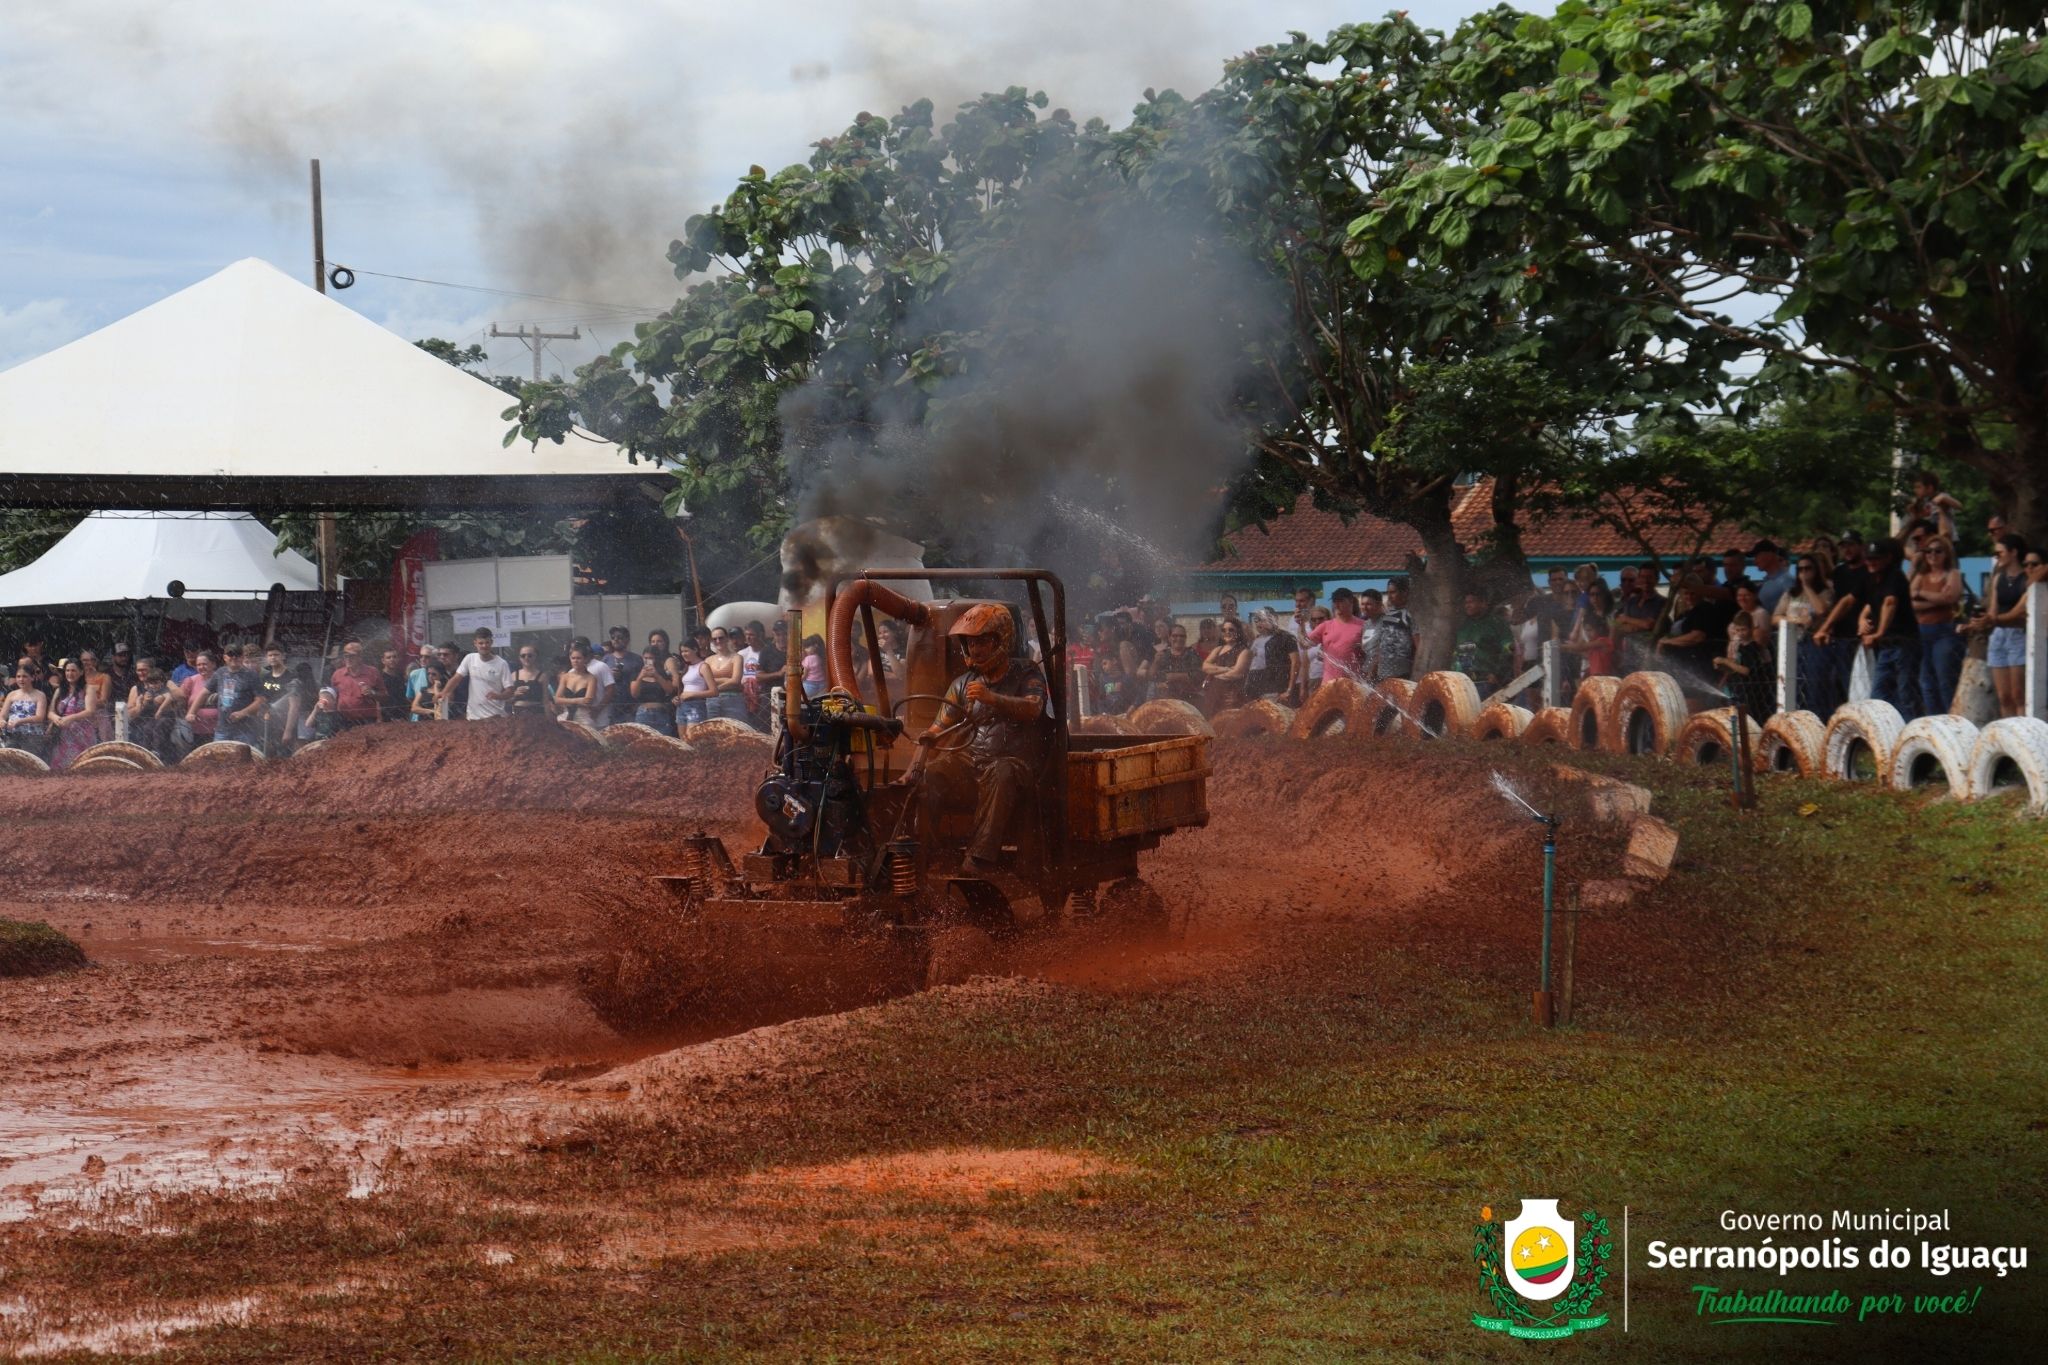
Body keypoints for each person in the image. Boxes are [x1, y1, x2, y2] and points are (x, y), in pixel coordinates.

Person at [916, 604, 1050, 876]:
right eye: (970, 642)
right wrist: (924, 747)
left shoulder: (1027, 673)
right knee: (931, 774)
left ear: (1001, 640)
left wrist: (993, 699)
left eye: (982, 641)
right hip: (972, 764)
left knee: (1000, 772)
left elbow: (1033, 708)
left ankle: (978, 860)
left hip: (1017, 769)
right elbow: (938, 727)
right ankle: (925, 853)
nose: (975, 649)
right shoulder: (962, 685)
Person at [1967, 534, 2032, 718]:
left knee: (2019, 694)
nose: (1997, 557)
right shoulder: (1998, 578)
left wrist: (1991, 620)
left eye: (2000, 552)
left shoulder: (2026, 579)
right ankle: (2008, 732)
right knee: (2004, 695)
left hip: (2018, 633)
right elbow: (1993, 610)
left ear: (2013, 553)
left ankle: (2023, 731)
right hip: (1999, 634)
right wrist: (1981, 622)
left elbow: (2019, 613)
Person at [1858, 538, 1919, 718]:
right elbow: (1864, 603)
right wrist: (1862, 620)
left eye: (1876, 558)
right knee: (1879, 693)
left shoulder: (1895, 577)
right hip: (1886, 646)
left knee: (1906, 692)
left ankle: (1910, 733)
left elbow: (1890, 602)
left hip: (1904, 643)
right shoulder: (1872, 579)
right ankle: (1887, 731)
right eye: (1868, 559)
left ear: (1887, 558)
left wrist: (1879, 632)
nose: (1871, 562)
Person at [1910, 533, 1965, 720]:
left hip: (1944, 631)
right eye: (1928, 551)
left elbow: (1950, 598)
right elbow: (1909, 602)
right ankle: (1934, 720)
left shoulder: (1953, 574)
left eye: (1938, 551)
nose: (1932, 555)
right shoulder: (1920, 575)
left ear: (1946, 554)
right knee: (1926, 681)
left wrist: (1921, 594)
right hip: (1921, 631)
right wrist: (1937, 600)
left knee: (1945, 679)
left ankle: (1951, 719)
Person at [1715, 613, 1775, 723]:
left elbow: (1746, 670)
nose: (1740, 634)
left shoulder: (1752, 648)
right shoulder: (1740, 646)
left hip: (1749, 694)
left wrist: (1725, 661)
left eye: (1743, 630)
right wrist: (1723, 667)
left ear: (1751, 629)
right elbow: (1735, 667)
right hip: (1737, 690)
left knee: (1747, 721)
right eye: (1737, 630)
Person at [444, 628, 516, 721]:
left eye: (487, 642)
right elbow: (456, 678)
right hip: (473, 718)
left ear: (491, 642)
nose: (484, 646)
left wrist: (498, 696)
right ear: (475, 643)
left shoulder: (502, 664)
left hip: (495, 717)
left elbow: (510, 691)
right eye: (481, 643)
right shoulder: (470, 658)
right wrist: (444, 693)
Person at [1453, 592, 1514, 692]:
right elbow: (1457, 652)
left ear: (1483, 603)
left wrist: (1498, 675)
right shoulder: (1464, 626)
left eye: (1471, 602)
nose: (1467, 606)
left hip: (1485, 681)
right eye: (1466, 603)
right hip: (1461, 681)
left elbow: (1508, 649)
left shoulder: (1497, 623)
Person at [1308, 588, 1368, 682]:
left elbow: (1371, 654)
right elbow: (1304, 644)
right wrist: (1301, 626)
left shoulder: (1363, 626)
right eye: (1335, 601)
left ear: (1351, 601)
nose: (1336, 604)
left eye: (1340, 601)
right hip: (1330, 683)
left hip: (1353, 683)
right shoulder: (1325, 626)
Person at [47, 659, 97, 770]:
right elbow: (50, 712)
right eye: (67, 670)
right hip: (63, 736)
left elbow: (90, 711)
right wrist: (56, 718)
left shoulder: (88, 689)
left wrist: (71, 718)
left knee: (81, 767)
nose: (70, 673)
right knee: (60, 769)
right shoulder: (60, 690)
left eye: (73, 670)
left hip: (82, 735)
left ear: (81, 672)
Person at [127, 657, 180, 761]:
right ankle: (144, 756)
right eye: (139, 670)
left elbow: (181, 695)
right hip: (143, 723)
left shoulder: (165, 683)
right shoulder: (136, 688)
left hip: (164, 720)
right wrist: (141, 704)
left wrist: (163, 696)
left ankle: (161, 756)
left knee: (159, 730)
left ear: (152, 669)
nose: (141, 673)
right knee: (144, 730)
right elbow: (129, 713)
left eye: (144, 670)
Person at [213, 644, 264, 746]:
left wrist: (243, 713)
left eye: (253, 662)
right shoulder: (221, 672)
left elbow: (260, 700)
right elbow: (204, 692)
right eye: (231, 654)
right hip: (223, 727)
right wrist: (192, 711)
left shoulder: (252, 675)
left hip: (246, 728)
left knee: (245, 758)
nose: (234, 657)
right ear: (225, 657)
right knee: (218, 757)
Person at [1199, 619, 1251, 716]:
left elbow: (1236, 673)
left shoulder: (1245, 651)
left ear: (1238, 631)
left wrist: (1214, 672)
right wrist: (1227, 669)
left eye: (1231, 630)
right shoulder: (1218, 649)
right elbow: (1205, 667)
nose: (1227, 632)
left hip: (1231, 697)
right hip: (1213, 695)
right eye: (1224, 630)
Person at [329, 639, 383, 729]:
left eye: (352, 656)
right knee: (344, 743)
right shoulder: (337, 674)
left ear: (360, 657)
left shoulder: (373, 672)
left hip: (367, 720)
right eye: (346, 656)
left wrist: (373, 693)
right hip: (343, 720)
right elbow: (332, 697)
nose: (348, 659)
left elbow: (384, 696)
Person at [254, 645, 299, 755]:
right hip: (266, 725)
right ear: (266, 658)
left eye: (276, 655)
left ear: (283, 656)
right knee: (265, 760)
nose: (273, 658)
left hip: (284, 725)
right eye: (270, 655)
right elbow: (261, 701)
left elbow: (294, 706)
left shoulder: (292, 676)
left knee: (283, 762)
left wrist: (288, 731)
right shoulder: (265, 677)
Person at [702, 626, 751, 725]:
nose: (718, 641)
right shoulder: (708, 660)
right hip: (713, 702)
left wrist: (714, 687)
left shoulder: (737, 657)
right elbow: (705, 682)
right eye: (714, 639)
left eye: (721, 638)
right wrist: (726, 679)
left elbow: (736, 680)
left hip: (733, 700)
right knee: (714, 733)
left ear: (727, 638)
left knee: (738, 733)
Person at [1149, 622, 1203, 704]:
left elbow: (1198, 676)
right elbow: (1152, 676)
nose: (1179, 638)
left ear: (1185, 638)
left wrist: (1173, 676)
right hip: (1165, 698)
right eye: (1175, 636)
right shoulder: (1162, 654)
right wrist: (1155, 662)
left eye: (1182, 636)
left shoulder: (1192, 654)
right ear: (1169, 637)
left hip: (1188, 698)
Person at [3, 663, 50, 755]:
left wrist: (19, 721)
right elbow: (3, 714)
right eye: (18, 676)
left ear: (32, 678)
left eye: (24, 676)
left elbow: (39, 717)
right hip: (12, 734)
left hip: (32, 736)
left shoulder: (40, 695)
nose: (21, 679)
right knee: (9, 762)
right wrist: (2, 721)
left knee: (28, 764)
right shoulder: (11, 694)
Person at [554, 644, 606, 726]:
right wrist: (578, 700)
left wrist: (566, 701)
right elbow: (557, 699)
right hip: (566, 714)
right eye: (573, 658)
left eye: (579, 658)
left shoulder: (591, 678)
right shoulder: (565, 677)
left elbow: (588, 701)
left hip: (584, 717)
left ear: (585, 659)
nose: (575, 661)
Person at [1906, 470, 1962, 544]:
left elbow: (1959, 506)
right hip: (1932, 540)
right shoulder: (1924, 502)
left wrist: (1943, 498)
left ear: (1929, 488)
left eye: (1919, 487)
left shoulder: (1941, 496)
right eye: (1915, 487)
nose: (1915, 490)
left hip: (1948, 539)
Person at [180, 650, 220, 749]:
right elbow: (180, 700)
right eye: (199, 665)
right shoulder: (190, 681)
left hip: (218, 731)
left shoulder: (222, 679)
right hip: (196, 731)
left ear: (213, 664)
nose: (201, 667)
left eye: (204, 664)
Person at [1381, 579, 1418, 681]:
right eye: (1388, 593)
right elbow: (1382, 644)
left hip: (1402, 672)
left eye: (1393, 592)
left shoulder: (1410, 615)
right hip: (1384, 672)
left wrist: (1414, 671)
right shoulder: (1387, 614)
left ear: (1404, 593)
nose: (1389, 596)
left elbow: (1418, 645)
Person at [631, 647, 675, 733]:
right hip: (643, 712)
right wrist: (640, 677)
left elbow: (670, 690)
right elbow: (634, 694)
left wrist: (657, 676)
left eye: (651, 658)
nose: (648, 661)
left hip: (660, 712)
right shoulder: (637, 673)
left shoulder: (662, 673)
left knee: (663, 740)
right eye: (645, 658)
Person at [77, 649, 114, 744]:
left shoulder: (104, 677)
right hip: (78, 718)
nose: (87, 662)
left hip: (98, 719)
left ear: (96, 661)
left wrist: (85, 704)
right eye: (84, 660)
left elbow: (103, 701)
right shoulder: (77, 678)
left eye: (91, 660)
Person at [1750, 541, 1796, 614]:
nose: (1755, 562)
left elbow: (1792, 613)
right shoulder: (1765, 582)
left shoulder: (1786, 580)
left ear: (1769, 555)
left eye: (1757, 556)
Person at [505, 646, 552, 716]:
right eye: (523, 656)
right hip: (518, 713)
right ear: (519, 658)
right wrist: (514, 694)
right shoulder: (513, 675)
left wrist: (548, 718)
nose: (526, 658)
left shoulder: (543, 676)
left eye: (530, 655)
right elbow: (506, 700)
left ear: (535, 657)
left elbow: (546, 700)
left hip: (536, 713)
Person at [408, 645, 446, 722]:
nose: (423, 659)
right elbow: (410, 698)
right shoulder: (414, 675)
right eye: (421, 656)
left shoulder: (446, 687)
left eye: (427, 657)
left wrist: (436, 688)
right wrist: (430, 711)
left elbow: (440, 704)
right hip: (418, 720)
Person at [378, 647, 409, 723]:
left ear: (398, 659)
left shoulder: (401, 676)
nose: (392, 659)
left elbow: (404, 697)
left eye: (394, 657)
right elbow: (378, 701)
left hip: (403, 718)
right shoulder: (379, 677)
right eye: (388, 657)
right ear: (383, 661)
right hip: (386, 719)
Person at [799, 635, 828, 700]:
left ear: (815, 646)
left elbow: (804, 675)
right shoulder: (821, 658)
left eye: (807, 647)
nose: (805, 650)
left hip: (810, 685)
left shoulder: (808, 659)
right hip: (823, 685)